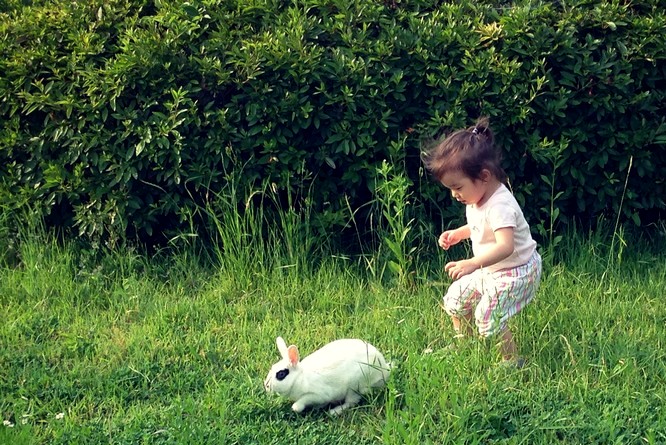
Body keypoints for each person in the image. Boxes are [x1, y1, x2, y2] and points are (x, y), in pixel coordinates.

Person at [422, 117, 542, 367]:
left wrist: (473, 263)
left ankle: (511, 361)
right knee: (456, 298)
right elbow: (481, 226)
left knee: (488, 314)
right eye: (450, 189)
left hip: (516, 272)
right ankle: (462, 345)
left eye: (457, 187)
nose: (454, 195)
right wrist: (459, 233)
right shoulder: (477, 198)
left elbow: (505, 245)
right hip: (492, 270)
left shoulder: (500, 204)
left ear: (484, 176)